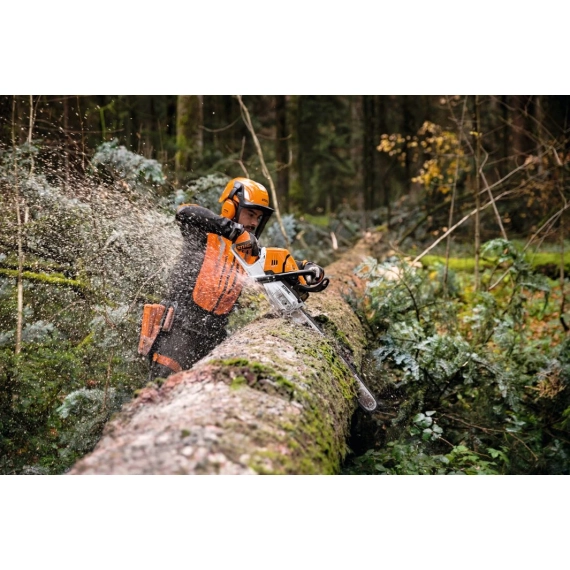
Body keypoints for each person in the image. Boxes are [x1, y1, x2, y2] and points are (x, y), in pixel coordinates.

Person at [138, 177, 326, 381]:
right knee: (164, 387)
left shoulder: (247, 251)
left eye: (258, 217)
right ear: (231, 208)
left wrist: (305, 269)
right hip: (178, 332)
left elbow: (274, 264)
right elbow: (185, 212)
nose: (254, 223)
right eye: (250, 214)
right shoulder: (202, 234)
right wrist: (233, 231)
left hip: (214, 337)